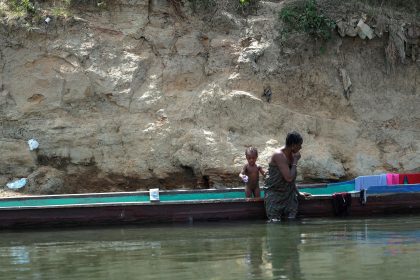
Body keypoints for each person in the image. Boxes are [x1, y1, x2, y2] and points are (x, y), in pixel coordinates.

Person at [264, 131, 310, 221]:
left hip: (289, 195)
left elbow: (292, 179)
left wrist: (298, 193)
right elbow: (288, 178)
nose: (301, 147)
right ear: (293, 145)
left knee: (292, 222)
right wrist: (295, 161)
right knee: (275, 223)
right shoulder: (279, 155)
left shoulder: (293, 155)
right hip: (274, 195)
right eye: (299, 145)